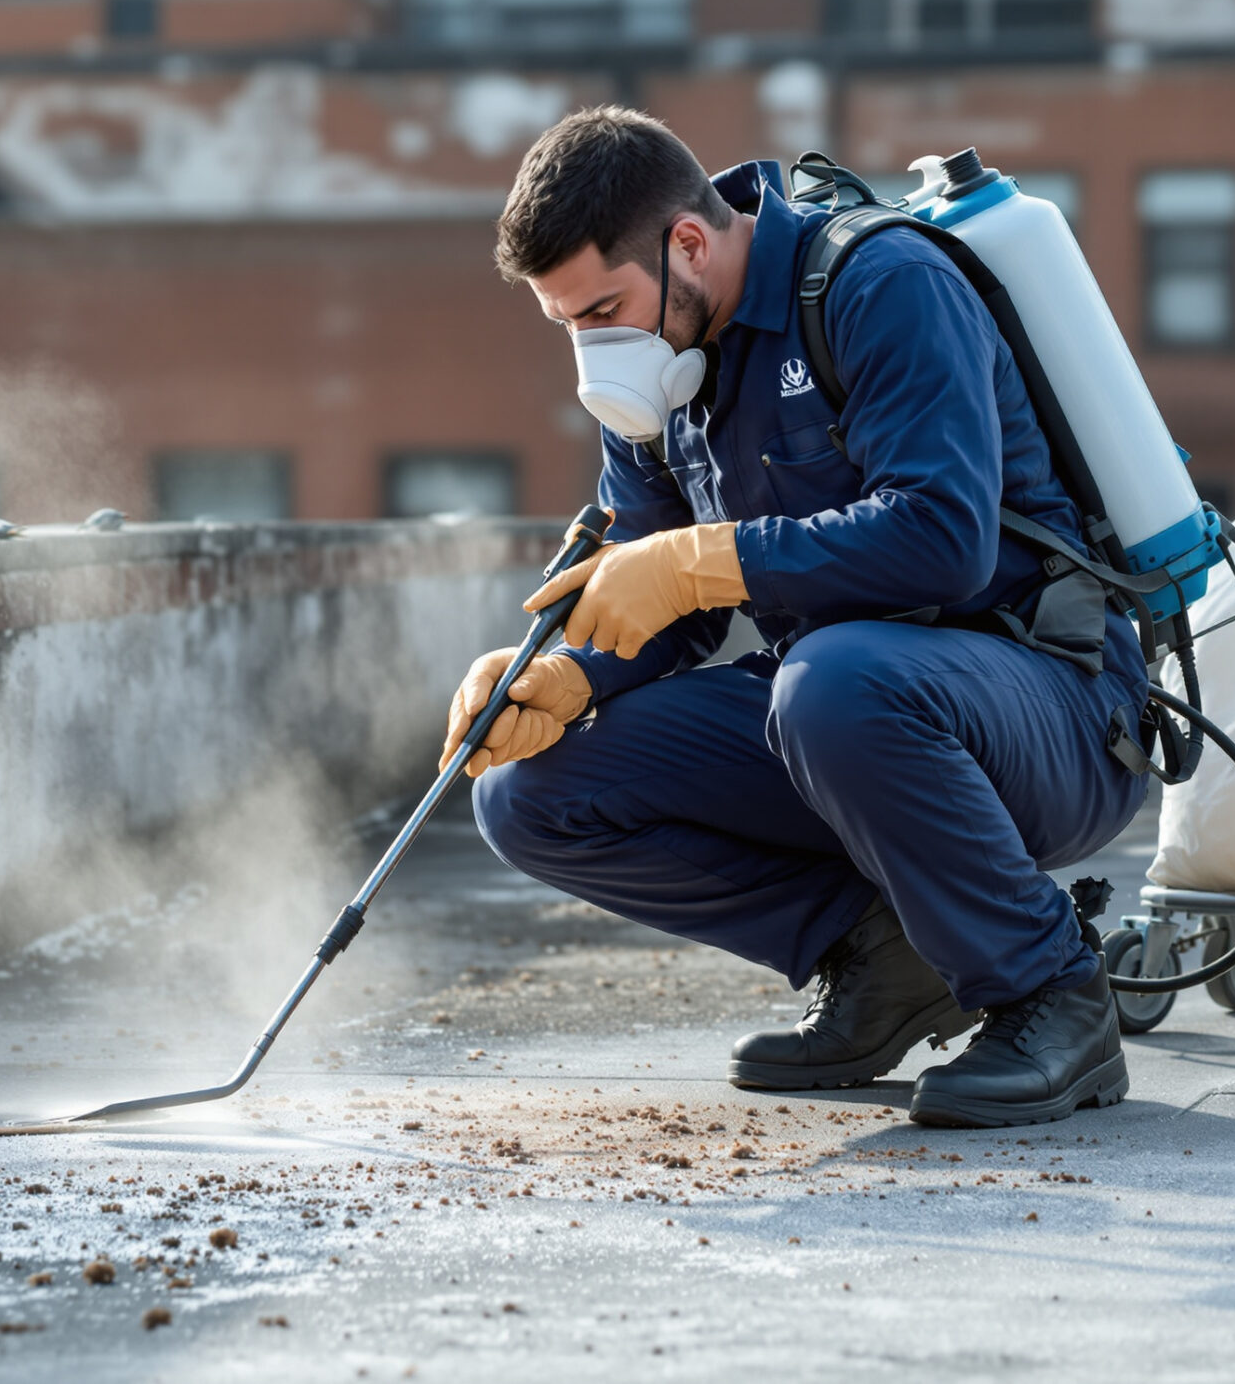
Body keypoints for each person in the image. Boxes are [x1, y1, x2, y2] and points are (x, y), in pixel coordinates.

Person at [444, 107, 1152, 1128]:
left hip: (1050, 704)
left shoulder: (878, 283)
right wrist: (558, 671)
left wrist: (702, 562)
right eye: (567, 326)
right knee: (529, 791)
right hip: (841, 718)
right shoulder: (664, 375)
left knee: (833, 682)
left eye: (602, 308)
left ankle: (1051, 992)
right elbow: (657, 600)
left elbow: (941, 536)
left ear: (685, 242)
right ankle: (886, 955)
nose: (594, 350)